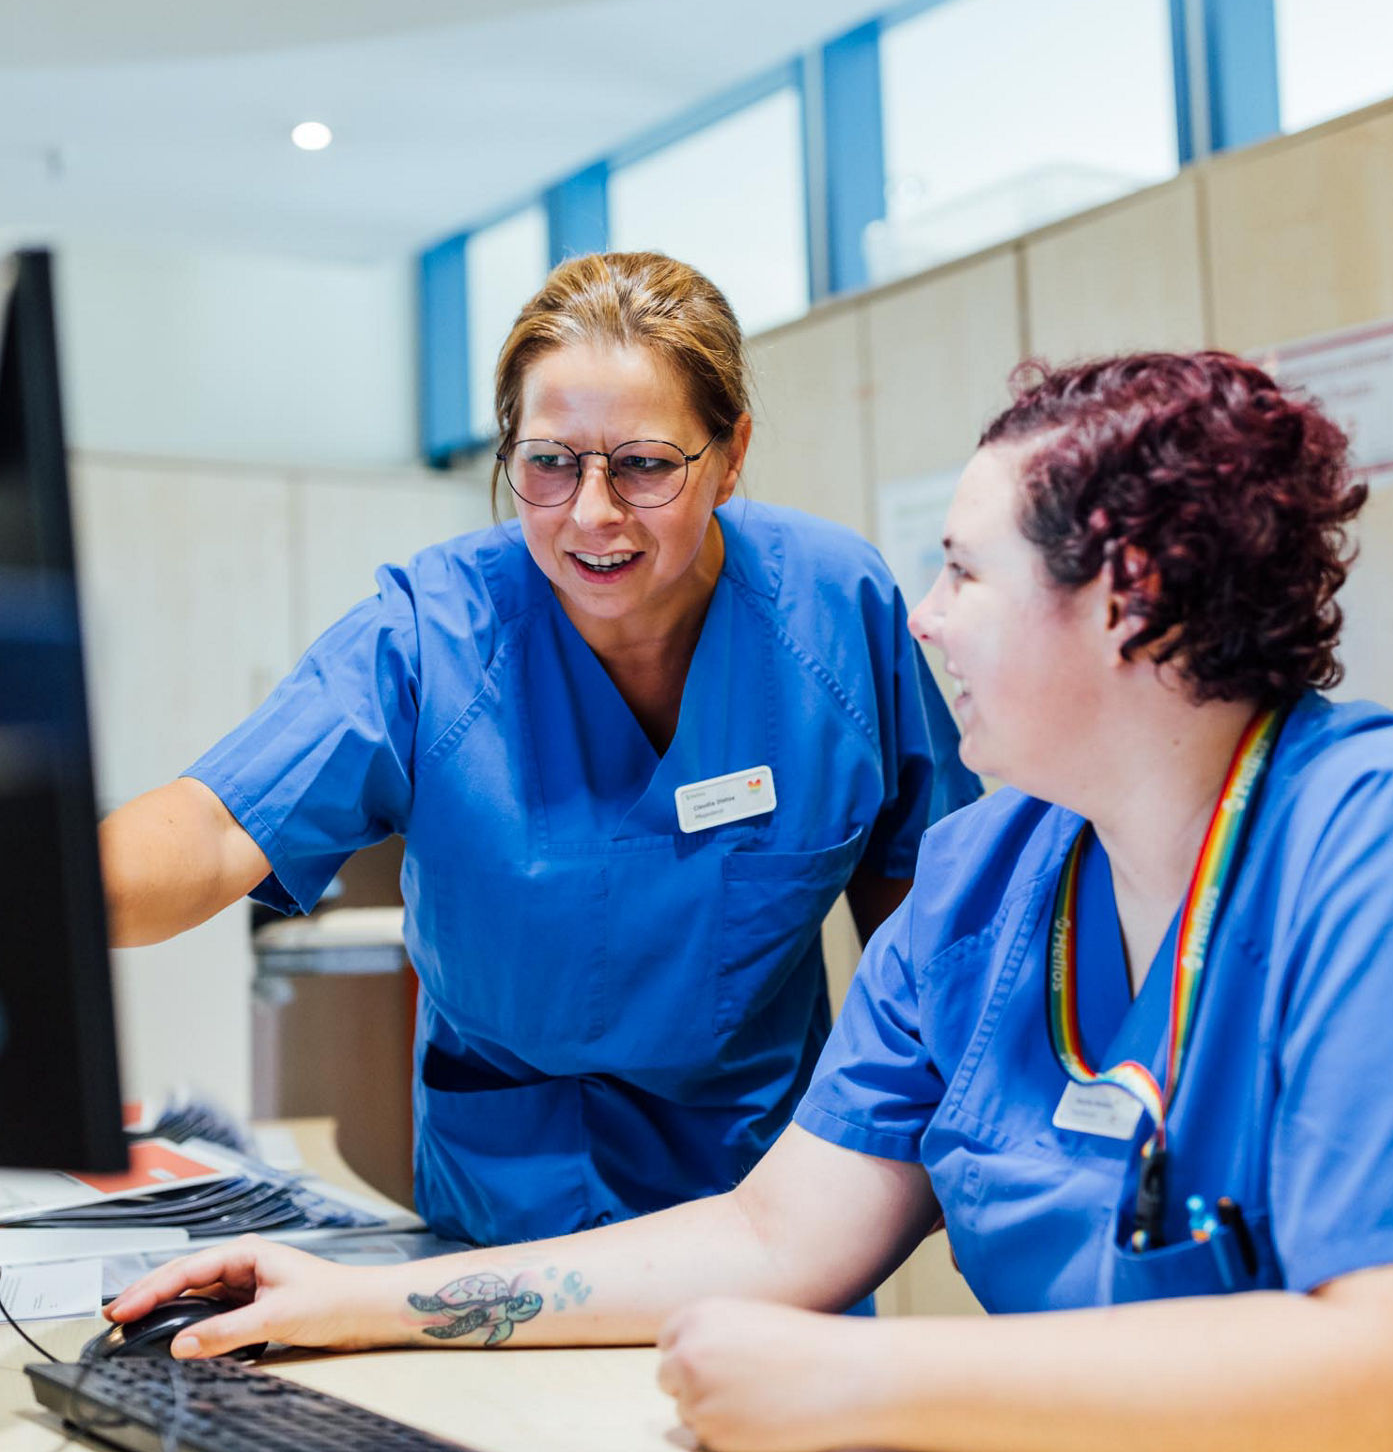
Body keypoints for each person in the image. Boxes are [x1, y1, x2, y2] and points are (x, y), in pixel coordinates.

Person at [109, 352, 1393, 1452]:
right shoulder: (983, 886)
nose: (925, 614)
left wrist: (871, 1383)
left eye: (962, 572)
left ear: (1130, 595)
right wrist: (347, 1298)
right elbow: (770, 1241)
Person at [99, 251, 978, 1248]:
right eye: (549, 462)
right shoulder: (432, 631)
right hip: (507, 1219)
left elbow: (928, 916)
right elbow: (215, 825)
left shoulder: (833, 612)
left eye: (644, 463)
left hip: (762, 1214)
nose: (591, 513)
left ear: (730, 454)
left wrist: (906, 1158)